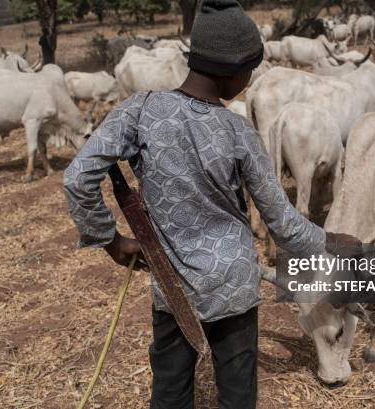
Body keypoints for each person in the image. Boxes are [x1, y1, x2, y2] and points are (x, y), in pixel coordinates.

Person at [63, 0, 360, 407]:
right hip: (234, 284)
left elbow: (77, 178)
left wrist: (110, 240)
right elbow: (283, 224)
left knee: (170, 388)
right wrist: (328, 242)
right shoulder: (239, 132)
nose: (251, 79)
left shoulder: (140, 110)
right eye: (251, 70)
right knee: (237, 391)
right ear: (235, 69)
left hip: (172, 285)